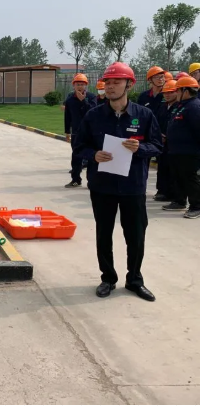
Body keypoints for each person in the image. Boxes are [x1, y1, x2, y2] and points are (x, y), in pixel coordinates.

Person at [74, 62, 162, 301]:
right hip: (102, 186)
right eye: (108, 82)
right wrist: (93, 155)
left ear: (129, 85)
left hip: (133, 186)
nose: (110, 87)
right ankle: (108, 278)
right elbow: (79, 146)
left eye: (116, 82)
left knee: (136, 235)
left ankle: (134, 280)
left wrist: (140, 148)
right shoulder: (94, 116)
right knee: (104, 234)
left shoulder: (144, 116)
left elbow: (157, 145)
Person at [163, 76, 200, 218]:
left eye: (178, 90)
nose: (176, 93)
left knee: (190, 179)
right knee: (178, 177)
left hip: (189, 151)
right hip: (176, 150)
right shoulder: (181, 106)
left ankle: (196, 206)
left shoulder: (194, 107)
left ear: (186, 91)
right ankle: (179, 201)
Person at [63, 73, 97, 188]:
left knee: (91, 157)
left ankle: (92, 181)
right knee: (76, 156)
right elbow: (67, 116)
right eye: (78, 84)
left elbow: (93, 113)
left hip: (90, 132)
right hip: (76, 132)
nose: (80, 86)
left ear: (86, 85)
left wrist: (83, 101)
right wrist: (67, 131)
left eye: (82, 84)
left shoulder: (91, 97)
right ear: (73, 85)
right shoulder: (70, 100)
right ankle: (76, 179)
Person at [153, 80, 179, 202]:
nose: (167, 95)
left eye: (170, 92)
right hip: (162, 143)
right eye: (165, 92)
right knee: (162, 167)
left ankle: (173, 194)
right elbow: (156, 123)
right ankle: (162, 191)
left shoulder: (179, 107)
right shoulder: (163, 107)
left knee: (173, 169)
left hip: (174, 144)